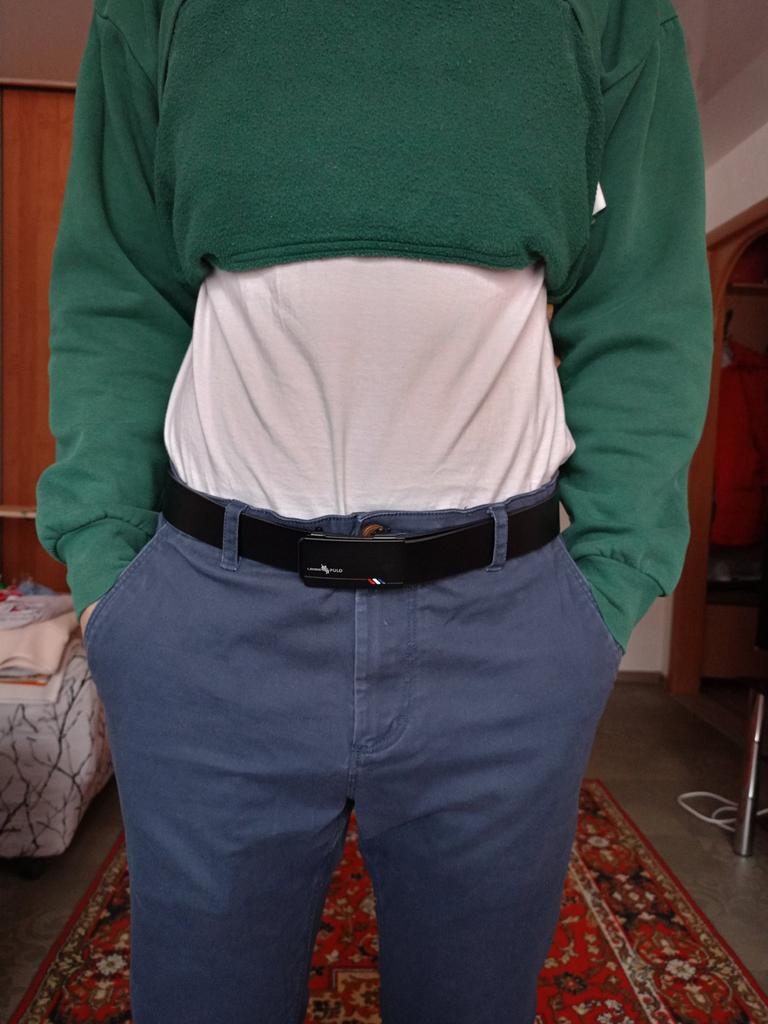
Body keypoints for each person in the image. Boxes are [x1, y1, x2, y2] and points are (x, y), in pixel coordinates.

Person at [35, 0, 713, 1021]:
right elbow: (116, 288)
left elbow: (645, 305)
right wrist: (107, 573)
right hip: (210, 628)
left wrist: (605, 589)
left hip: (503, 632)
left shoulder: (614, 13)